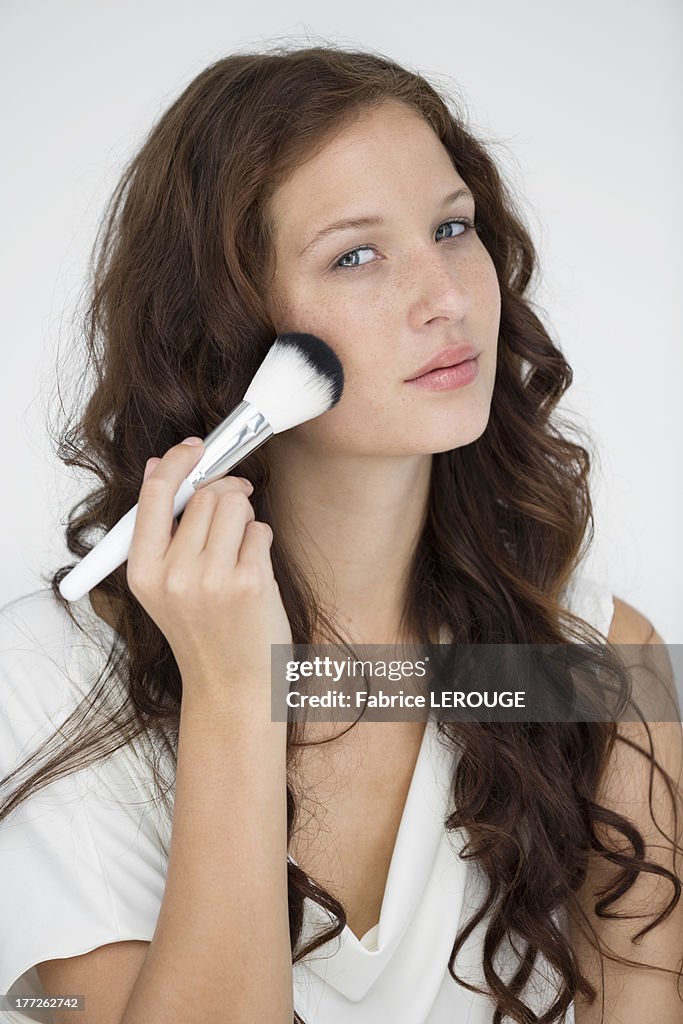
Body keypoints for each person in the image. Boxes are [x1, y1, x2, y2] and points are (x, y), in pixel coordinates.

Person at [1, 42, 681, 1024]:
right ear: (227, 324)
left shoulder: (591, 662)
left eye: (452, 227)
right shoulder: (48, 683)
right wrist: (238, 695)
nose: (444, 296)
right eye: (355, 254)